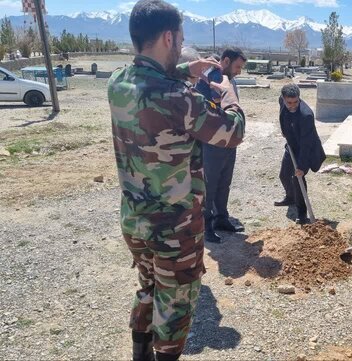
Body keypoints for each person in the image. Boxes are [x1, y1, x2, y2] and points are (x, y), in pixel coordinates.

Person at [108, 1, 245, 360]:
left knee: (149, 288)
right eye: (181, 40)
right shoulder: (180, 99)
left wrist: (186, 68)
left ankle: (140, 353)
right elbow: (232, 133)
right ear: (169, 37)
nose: (181, 45)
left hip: (134, 221)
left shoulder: (117, 83)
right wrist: (229, 95)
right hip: (174, 228)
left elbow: (155, 79)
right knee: (176, 307)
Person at [199, 48, 248, 243]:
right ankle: (206, 225)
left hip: (228, 140)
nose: (239, 71)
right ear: (226, 61)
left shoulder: (227, 78)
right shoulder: (213, 77)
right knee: (210, 184)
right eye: (237, 66)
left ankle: (221, 218)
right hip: (212, 141)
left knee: (224, 182)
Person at [274, 84, 326, 224]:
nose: (292, 105)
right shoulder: (282, 101)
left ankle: (302, 213)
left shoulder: (306, 115)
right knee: (284, 175)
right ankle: (290, 197)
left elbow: (306, 144)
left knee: (297, 179)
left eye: (295, 102)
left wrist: (301, 167)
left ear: (299, 98)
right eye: (288, 102)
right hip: (291, 145)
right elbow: (283, 114)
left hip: (306, 149)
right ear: (283, 99)